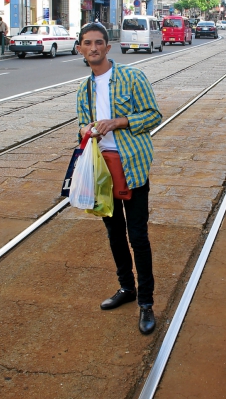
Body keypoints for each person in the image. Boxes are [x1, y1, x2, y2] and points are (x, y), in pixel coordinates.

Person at [76, 22, 162, 335]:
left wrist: (118, 122)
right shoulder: (83, 89)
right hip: (102, 171)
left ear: (108, 47)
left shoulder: (132, 77)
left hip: (133, 166)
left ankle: (146, 303)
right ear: (81, 49)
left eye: (99, 42)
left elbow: (154, 115)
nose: (94, 48)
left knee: (138, 236)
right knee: (114, 234)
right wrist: (87, 132)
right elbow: (81, 128)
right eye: (88, 43)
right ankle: (126, 288)